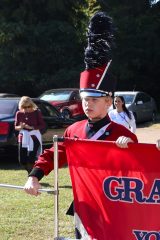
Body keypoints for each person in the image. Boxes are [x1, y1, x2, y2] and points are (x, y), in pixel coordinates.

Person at [24, 12, 138, 239]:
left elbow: (136, 174)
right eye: (85, 99)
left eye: (95, 100)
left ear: (108, 101)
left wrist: (130, 150)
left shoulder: (122, 134)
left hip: (114, 206)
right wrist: (34, 175)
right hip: (84, 203)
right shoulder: (73, 130)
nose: (88, 104)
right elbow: (53, 155)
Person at [15, 96, 46, 174]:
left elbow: (42, 125)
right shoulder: (19, 113)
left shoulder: (37, 112)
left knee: (31, 158)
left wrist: (31, 127)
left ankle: (32, 175)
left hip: (34, 137)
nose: (26, 109)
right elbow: (16, 127)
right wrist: (21, 127)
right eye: (24, 107)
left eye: (28, 107)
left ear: (32, 105)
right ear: (21, 106)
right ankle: (29, 171)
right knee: (22, 160)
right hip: (23, 137)